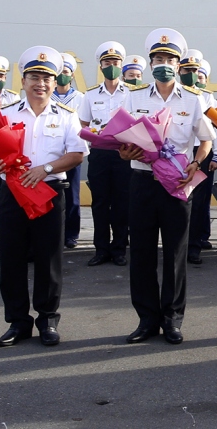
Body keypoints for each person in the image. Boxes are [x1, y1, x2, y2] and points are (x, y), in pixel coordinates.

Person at [0, 47, 87, 347]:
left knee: (48, 259)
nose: (41, 83)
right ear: (23, 80)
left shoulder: (67, 116)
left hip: (50, 193)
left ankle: (48, 320)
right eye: (34, 77)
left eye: (47, 78)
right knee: (11, 258)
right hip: (12, 195)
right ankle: (17, 322)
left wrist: (46, 169)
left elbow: (77, 154)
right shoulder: (4, 114)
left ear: (55, 83)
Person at [121, 28, 215, 345]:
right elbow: (121, 139)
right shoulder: (132, 97)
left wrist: (196, 163)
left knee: (176, 252)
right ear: (150, 63)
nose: (164, 64)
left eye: (169, 59)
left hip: (177, 181)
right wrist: (124, 150)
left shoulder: (193, 99)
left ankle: (173, 319)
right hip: (142, 182)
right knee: (143, 252)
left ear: (178, 64)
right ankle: (147, 320)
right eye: (158, 59)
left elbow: (206, 140)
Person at [80, 41, 133, 267]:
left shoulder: (132, 93)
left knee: (122, 202)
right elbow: (83, 124)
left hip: (124, 154)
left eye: (115, 62)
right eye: (107, 62)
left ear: (121, 65)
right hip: (100, 154)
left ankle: (119, 248)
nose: (111, 66)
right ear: (100, 66)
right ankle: (101, 249)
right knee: (100, 202)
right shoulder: (90, 95)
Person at [179, 49, 217, 265]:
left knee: (198, 202)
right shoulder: (173, 94)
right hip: (176, 153)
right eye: (187, 69)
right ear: (179, 70)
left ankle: (193, 247)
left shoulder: (207, 97)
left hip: (200, 152)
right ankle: (177, 244)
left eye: (195, 70)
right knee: (177, 201)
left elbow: (214, 130)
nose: (191, 73)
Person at [52, 55, 86, 249]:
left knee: (73, 196)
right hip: (53, 154)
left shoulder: (80, 98)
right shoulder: (48, 97)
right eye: (59, 73)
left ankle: (71, 234)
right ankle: (56, 231)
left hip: (73, 154)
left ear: (72, 75)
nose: (62, 76)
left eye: (66, 72)